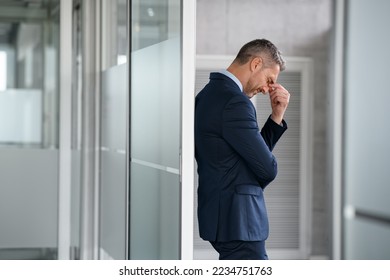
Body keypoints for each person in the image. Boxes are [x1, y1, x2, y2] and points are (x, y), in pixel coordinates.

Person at [194, 39, 290, 260]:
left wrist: (277, 116)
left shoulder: (209, 94)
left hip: (225, 220)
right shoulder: (235, 102)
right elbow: (267, 168)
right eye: (269, 80)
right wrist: (260, 172)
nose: (268, 90)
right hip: (240, 223)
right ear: (256, 63)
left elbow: (251, 157)